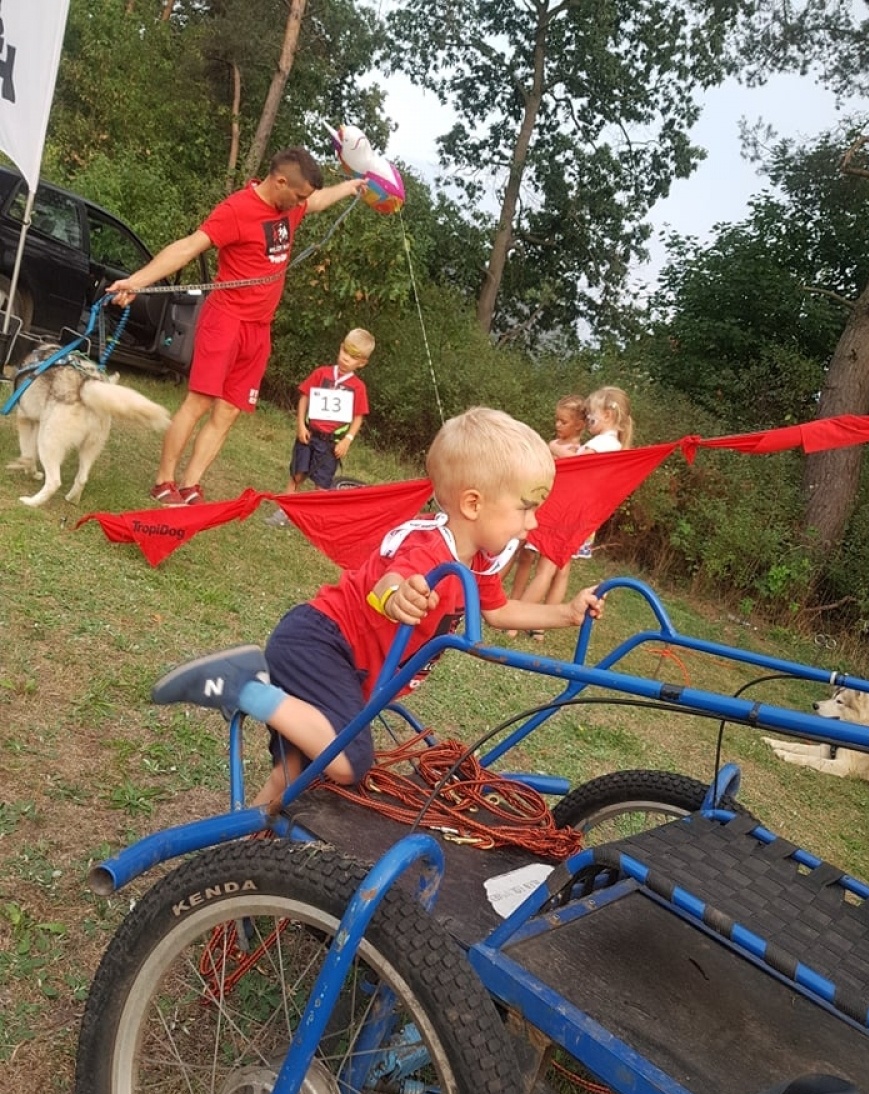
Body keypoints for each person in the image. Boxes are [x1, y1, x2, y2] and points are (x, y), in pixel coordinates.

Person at [151, 407, 606, 813]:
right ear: (473, 504)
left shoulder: (479, 563)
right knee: (349, 763)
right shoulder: (428, 546)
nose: (534, 522)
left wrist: (566, 613)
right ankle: (244, 687)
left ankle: (241, 859)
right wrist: (397, 596)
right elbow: (392, 580)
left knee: (295, 777)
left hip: (342, 664)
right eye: (526, 509)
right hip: (320, 644)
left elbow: (500, 613)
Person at [108, 147, 367, 506]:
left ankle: (190, 485)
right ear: (279, 182)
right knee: (198, 403)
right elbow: (187, 248)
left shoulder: (290, 205)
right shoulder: (236, 211)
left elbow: (319, 199)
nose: (302, 205)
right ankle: (163, 480)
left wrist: (353, 186)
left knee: (228, 411)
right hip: (226, 320)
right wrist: (136, 282)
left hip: (258, 329)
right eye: (299, 197)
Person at [517, 385, 634, 639]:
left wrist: (553, 447)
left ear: (608, 415)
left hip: (570, 514)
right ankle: (539, 627)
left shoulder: (603, 443)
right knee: (561, 569)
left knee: (546, 568)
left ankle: (514, 622)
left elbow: (577, 465)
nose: (589, 420)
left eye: (592, 415)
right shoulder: (612, 444)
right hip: (582, 517)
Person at [266, 327, 374, 528]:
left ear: (362, 363)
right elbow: (304, 397)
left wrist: (347, 440)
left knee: (322, 484)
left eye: (353, 357)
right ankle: (284, 511)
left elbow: (358, 417)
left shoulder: (358, 388)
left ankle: (312, 520)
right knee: (297, 474)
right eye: (345, 352)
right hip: (309, 435)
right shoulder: (321, 373)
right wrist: (300, 425)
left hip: (331, 444)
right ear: (340, 348)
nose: (346, 359)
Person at [505, 394, 587, 608]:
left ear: (579, 425)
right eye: (557, 420)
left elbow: (578, 471)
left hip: (556, 513)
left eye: (564, 421)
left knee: (544, 563)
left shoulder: (580, 452)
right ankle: (511, 598)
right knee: (520, 551)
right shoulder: (555, 444)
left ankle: (526, 612)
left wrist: (553, 448)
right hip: (539, 502)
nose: (557, 425)